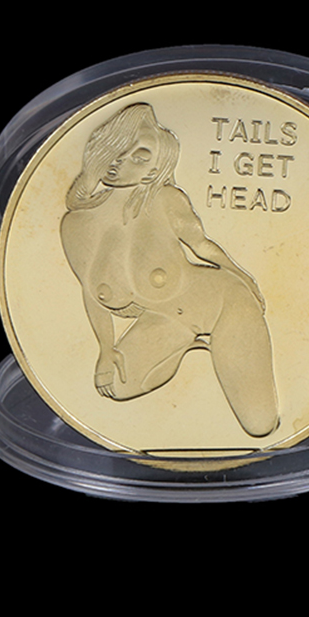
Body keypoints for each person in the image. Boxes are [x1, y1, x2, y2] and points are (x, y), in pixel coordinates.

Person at [60, 102, 279, 438]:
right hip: (165, 318)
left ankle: (223, 342)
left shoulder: (166, 199)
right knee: (116, 385)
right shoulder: (76, 226)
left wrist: (242, 277)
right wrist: (105, 349)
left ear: (154, 168)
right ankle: (191, 345)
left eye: (139, 156)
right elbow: (90, 293)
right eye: (116, 150)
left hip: (220, 300)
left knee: (260, 424)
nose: (120, 162)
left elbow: (202, 246)